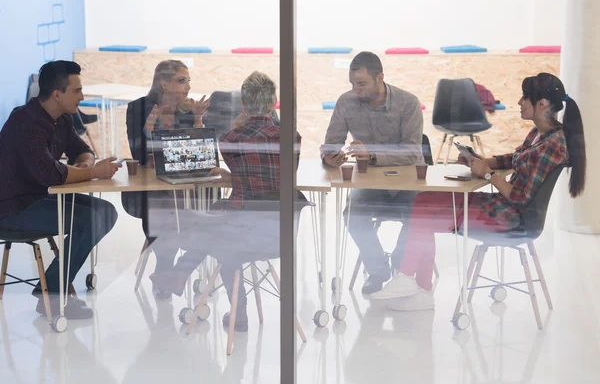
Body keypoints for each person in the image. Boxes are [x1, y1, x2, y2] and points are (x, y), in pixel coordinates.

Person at [371, 73, 586, 310]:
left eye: (525, 98)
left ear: (542, 103)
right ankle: (412, 282)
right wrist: (482, 161)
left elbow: (521, 197)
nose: (519, 103)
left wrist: (487, 174)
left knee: (424, 214)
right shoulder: (540, 134)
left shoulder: (554, 144)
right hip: (501, 207)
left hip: (512, 219)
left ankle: (416, 285)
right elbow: (516, 159)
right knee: (423, 199)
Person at [151, 71, 307, 332]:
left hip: (242, 232)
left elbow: (248, 175)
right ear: (273, 103)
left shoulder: (230, 140)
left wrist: (235, 133)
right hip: (280, 234)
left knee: (217, 233)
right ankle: (183, 280)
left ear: (243, 105)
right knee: (221, 232)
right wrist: (234, 175)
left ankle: (233, 308)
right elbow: (279, 181)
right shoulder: (293, 137)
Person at [0, 60, 121, 319]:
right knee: (89, 220)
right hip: (12, 208)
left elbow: (82, 150)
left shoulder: (62, 118)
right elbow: (50, 174)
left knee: (107, 212)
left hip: (42, 199)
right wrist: (94, 172)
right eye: (77, 90)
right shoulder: (26, 122)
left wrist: (85, 163)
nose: (82, 96)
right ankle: (52, 295)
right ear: (57, 94)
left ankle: (52, 287)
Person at [320, 51, 424, 294]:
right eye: (352, 84)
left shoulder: (408, 103)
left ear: (380, 79)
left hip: (408, 182)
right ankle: (378, 270)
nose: (356, 89)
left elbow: (412, 151)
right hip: (370, 183)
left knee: (419, 216)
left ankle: (401, 269)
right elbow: (330, 144)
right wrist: (330, 158)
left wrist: (373, 153)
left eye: (361, 84)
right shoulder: (346, 102)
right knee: (352, 215)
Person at [122, 60, 210, 298]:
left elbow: (200, 154)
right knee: (162, 205)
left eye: (189, 80)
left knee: (173, 209)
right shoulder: (138, 109)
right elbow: (139, 154)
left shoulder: (188, 111)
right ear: (164, 84)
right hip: (153, 189)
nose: (188, 87)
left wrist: (198, 119)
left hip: (185, 189)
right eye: (182, 81)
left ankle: (168, 272)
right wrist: (151, 130)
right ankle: (168, 269)